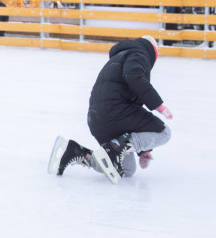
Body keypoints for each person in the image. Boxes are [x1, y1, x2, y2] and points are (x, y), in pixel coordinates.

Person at [48, 35, 172, 184]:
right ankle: (116, 147)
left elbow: (134, 115)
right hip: (116, 113)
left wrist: (143, 150)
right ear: (154, 52)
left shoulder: (119, 58)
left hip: (97, 119)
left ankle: (77, 152)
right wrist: (158, 105)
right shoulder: (140, 53)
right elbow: (133, 75)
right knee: (164, 133)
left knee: (127, 170)